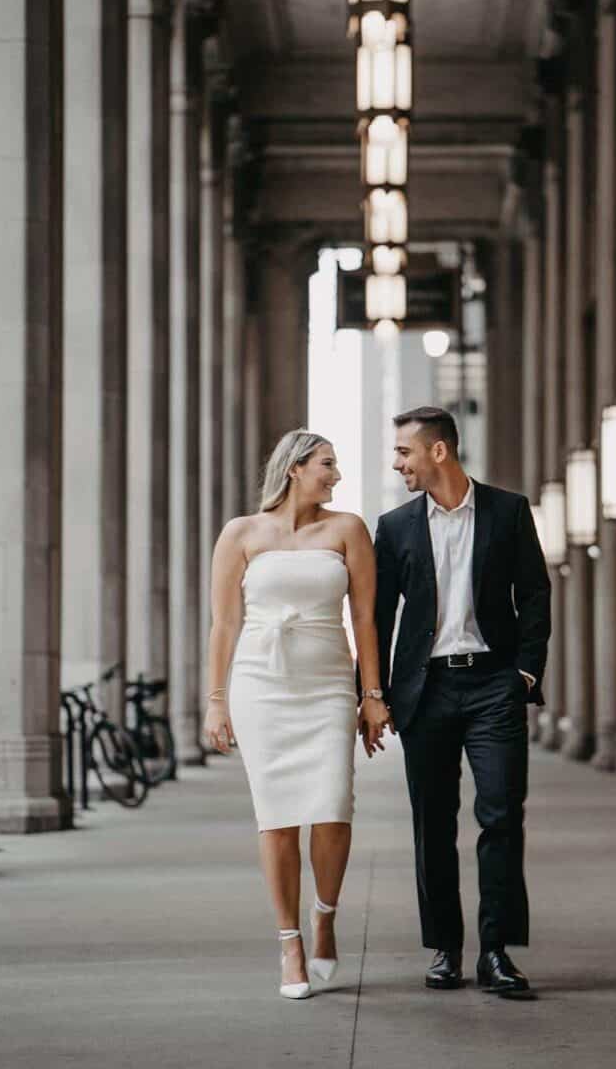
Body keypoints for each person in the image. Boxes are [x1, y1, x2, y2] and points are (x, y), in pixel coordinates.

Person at [203, 429, 392, 1000]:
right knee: (277, 817)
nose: (336, 475)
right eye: (327, 464)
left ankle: (324, 915)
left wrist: (371, 693)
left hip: (328, 684)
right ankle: (290, 944)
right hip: (260, 686)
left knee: (333, 807)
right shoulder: (240, 533)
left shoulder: (348, 529)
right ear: (294, 468)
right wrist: (216, 699)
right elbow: (225, 624)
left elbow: (366, 619)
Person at [374, 406, 551, 996]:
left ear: (438, 451)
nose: (397, 463)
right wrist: (373, 693)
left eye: (404, 452)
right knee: (433, 822)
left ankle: (495, 951)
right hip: (425, 690)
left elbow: (535, 593)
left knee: (501, 814)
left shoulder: (507, 511)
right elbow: (376, 617)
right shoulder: (395, 527)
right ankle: (445, 947)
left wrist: (525, 672)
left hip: (494, 685)